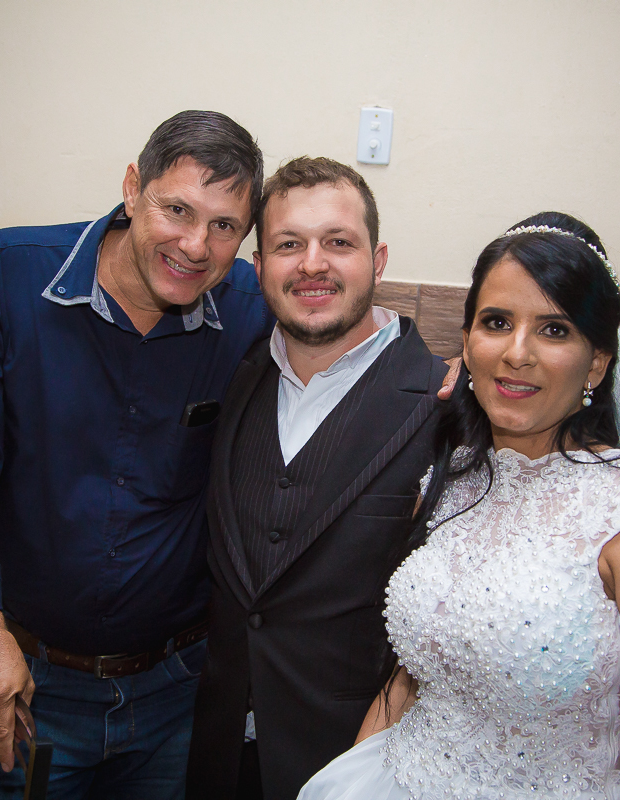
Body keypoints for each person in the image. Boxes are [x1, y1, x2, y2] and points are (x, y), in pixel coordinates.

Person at [0, 111, 273, 800]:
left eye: (224, 226)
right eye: (177, 209)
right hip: (26, 685)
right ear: (132, 188)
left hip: (177, 695)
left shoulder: (251, 309)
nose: (196, 246)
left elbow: (341, 338)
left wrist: (447, 376)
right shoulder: (7, 276)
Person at [299, 212, 620, 800]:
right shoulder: (452, 483)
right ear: (468, 342)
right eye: (497, 322)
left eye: (554, 330)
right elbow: (410, 679)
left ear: (596, 362)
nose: (517, 353)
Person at [186, 157, 448, 800]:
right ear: (258, 268)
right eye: (288, 245)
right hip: (217, 755)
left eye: (338, 242)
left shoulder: (448, 406)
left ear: (377, 260)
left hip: (360, 765)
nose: (312, 264)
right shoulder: (236, 373)